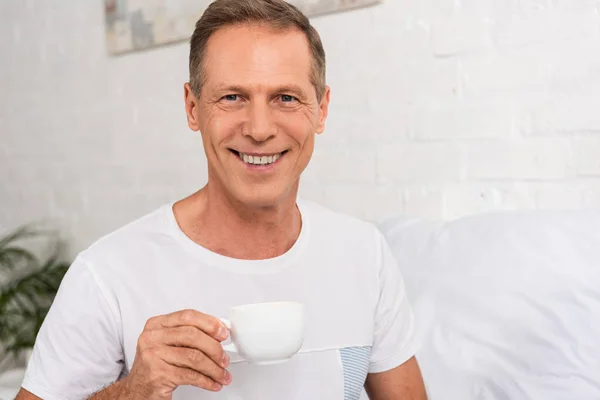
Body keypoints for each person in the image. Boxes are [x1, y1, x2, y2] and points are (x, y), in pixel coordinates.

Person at [16, 0, 427, 399]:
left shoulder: (364, 253)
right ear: (193, 108)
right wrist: (135, 391)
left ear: (321, 109)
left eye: (286, 97)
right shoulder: (107, 275)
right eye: (232, 97)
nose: (260, 128)